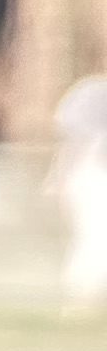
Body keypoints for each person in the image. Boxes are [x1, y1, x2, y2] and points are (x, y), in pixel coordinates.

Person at [56, 75, 107, 310]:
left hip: (91, 177)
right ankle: (85, 301)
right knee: (92, 243)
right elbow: (74, 142)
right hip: (94, 176)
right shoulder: (91, 94)